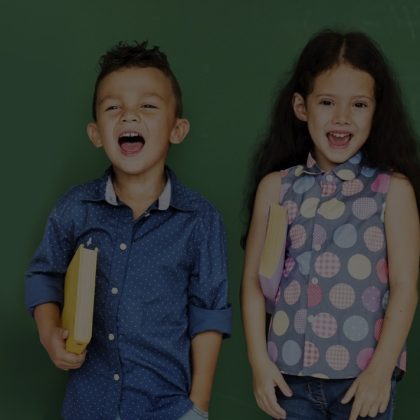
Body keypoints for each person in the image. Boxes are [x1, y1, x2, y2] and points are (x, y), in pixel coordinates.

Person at [25, 41, 232, 420]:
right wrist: (49, 332)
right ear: (96, 133)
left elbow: (209, 315)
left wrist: (198, 407)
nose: (129, 116)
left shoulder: (200, 220)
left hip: (168, 408)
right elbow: (44, 276)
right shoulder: (75, 207)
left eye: (148, 106)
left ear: (177, 129)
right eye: (113, 107)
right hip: (88, 406)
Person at [241, 29, 420, 420]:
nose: (342, 118)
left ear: (376, 110)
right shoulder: (277, 188)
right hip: (289, 379)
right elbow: (254, 283)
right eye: (326, 102)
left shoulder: (393, 190)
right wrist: (259, 362)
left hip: (362, 381)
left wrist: (380, 371)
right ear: (301, 107)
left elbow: (405, 287)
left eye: (359, 104)